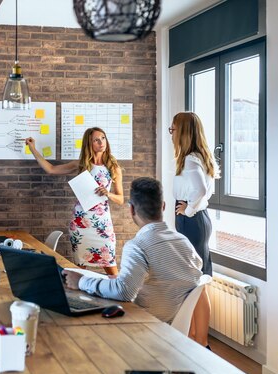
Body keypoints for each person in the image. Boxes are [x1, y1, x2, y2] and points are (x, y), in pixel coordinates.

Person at [62, 177, 203, 324]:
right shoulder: (184, 241)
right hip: (172, 328)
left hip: (141, 326)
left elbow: (124, 291)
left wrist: (81, 281)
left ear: (132, 209)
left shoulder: (138, 245)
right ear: (163, 206)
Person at [25, 127, 123, 275]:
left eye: (103, 138)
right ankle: (74, 297)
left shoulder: (113, 167)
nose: (101, 142)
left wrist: (108, 194)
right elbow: (51, 169)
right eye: (96, 140)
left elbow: (121, 199)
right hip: (80, 222)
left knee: (112, 270)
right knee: (79, 270)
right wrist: (33, 148)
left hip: (103, 224)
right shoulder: (82, 164)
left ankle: (120, 297)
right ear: (89, 143)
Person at [169, 112, 219, 276]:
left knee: (193, 274)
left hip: (191, 218)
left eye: (173, 129)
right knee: (200, 272)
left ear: (183, 132)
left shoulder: (190, 159)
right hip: (200, 216)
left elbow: (201, 189)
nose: (172, 133)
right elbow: (206, 192)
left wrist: (188, 210)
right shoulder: (200, 156)